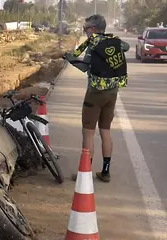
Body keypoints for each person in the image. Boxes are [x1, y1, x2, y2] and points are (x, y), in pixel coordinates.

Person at [63, 14, 129, 183]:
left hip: (95, 94)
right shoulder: (114, 41)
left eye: (86, 29)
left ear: (92, 29)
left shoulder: (92, 45)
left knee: (88, 133)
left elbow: (85, 67)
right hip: (112, 93)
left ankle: (85, 174)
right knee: (105, 131)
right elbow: (127, 47)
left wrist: (70, 58)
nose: (85, 32)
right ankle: (105, 172)